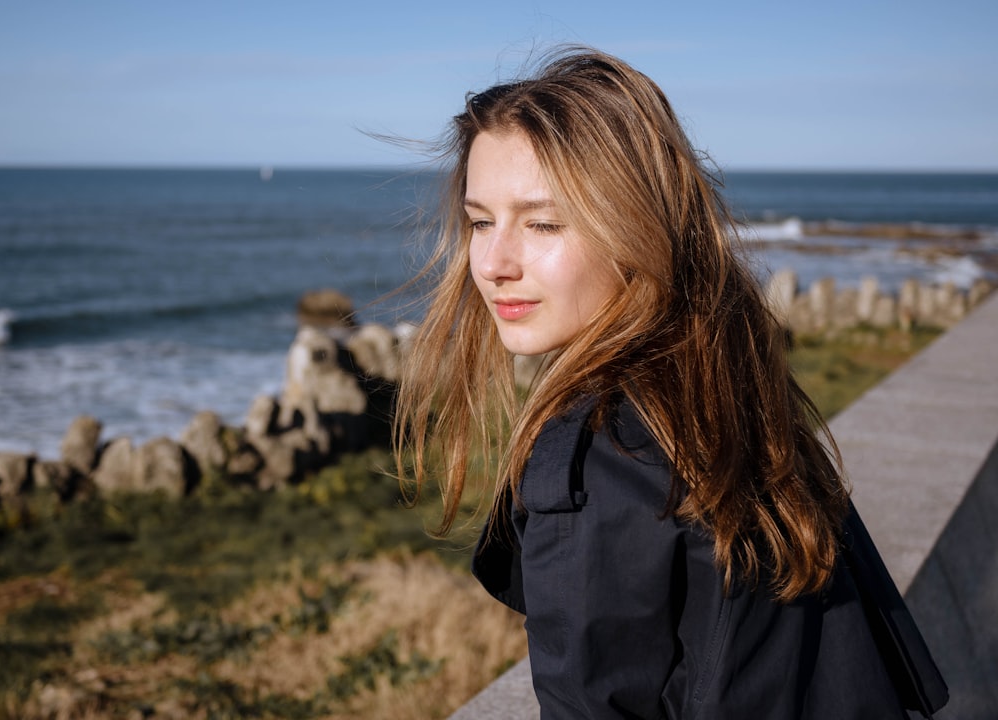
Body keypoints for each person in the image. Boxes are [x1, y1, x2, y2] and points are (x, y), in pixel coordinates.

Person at [394, 47, 947, 719]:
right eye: (481, 221)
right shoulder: (720, 385)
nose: (493, 262)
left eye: (542, 222)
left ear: (634, 227)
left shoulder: (599, 460)